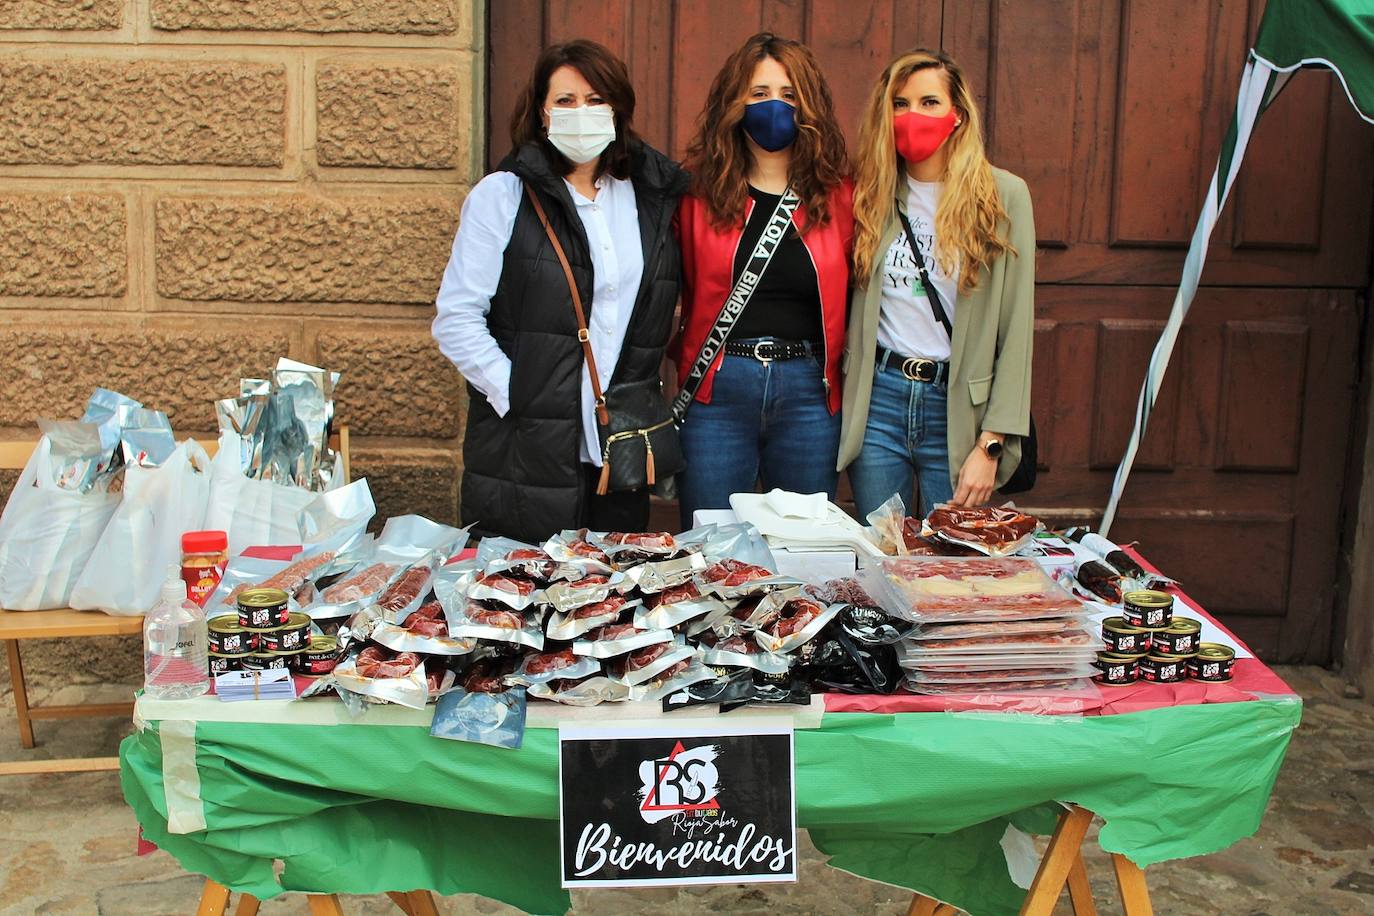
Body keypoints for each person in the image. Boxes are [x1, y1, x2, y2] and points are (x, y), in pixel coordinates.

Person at [433, 40, 688, 542]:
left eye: (596, 100)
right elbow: (456, 318)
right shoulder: (502, 195)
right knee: (519, 598)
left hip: (619, 447)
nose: (582, 113)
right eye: (566, 101)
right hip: (525, 445)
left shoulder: (647, 197)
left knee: (610, 604)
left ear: (618, 109)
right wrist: (521, 395)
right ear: (542, 114)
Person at [839, 48, 1035, 519]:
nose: (913, 115)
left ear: (958, 116)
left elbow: (1016, 332)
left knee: (947, 567)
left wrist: (991, 445)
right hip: (879, 401)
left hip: (958, 411)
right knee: (886, 553)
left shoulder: (1004, 196)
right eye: (900, 103)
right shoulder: (870, 191)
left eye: (929, 102)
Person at [673, 32, 853, 530]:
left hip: (809, 394)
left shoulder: (843, 196)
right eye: (758, 93)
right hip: (717, 389)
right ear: (734, 103)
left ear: (809, 105)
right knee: (710, 551)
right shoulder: (694, 193)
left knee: (802, 552)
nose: (775, 106)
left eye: (789, 94)